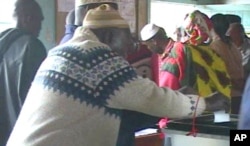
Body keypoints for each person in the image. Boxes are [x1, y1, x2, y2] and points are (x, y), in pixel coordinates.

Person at [7, 4, 229, 146]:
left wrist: (179, 100)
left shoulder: (62, 52)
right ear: (108, 35)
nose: (128, 51)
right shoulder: (97, 57)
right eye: (126, 42)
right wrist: (204, 102)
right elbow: (153, 98)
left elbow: (120, 107)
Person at [140, 17, 232, 99]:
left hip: (185, 107)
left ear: (154, 41)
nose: (148, 48)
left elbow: (178, 86)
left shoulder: (177, 52)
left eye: (148, 45)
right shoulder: (160, 55)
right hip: (172, 104)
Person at [0, 0, 47, 145]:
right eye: (39, 20)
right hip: (23, 134)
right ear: (28, 19)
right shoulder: (32, 47)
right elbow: (41, 98)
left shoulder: (2, 42)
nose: (40, 27)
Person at [210, 13, 245, 114]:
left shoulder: (214, 47)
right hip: (239, 94)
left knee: (222, 126)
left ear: (211, 27)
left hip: (225, 95)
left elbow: (221, 74)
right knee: (235, 125)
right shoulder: (232, 45)